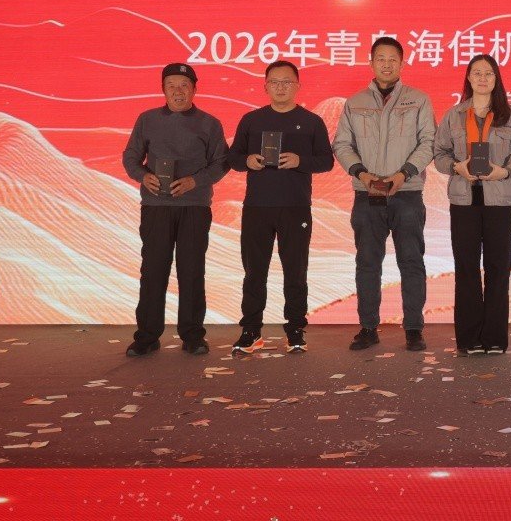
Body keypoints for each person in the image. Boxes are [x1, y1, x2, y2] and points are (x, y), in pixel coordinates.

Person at [332, 37, 437, 353]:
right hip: (368, 194)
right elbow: (342, 144)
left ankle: (414, 329)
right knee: (367, 262)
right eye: (381, 58)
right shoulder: (355, 103)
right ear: (371, 62)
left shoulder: (418, 100)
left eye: (393, 59)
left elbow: (428, 142)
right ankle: (368, 327)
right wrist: (362, 174)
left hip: (407, 193)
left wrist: (403, 174)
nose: (387, 64)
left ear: (402, 63)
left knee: (411, 261)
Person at [121, 62, 229, 357]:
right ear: (163, 89)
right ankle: (147, 336)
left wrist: (195, 181)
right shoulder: (147, 120)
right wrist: (143, 176)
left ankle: (192, 335)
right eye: (171, 86)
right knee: (153, 270)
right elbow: (130, 157)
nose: (178, 91)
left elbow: (221, 163)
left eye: (184, 86)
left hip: (194, 206)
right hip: (156, 206)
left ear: (194, 89)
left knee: (192, 271)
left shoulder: (210, 123)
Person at [227, 60, 334, 355]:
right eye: (274, 82)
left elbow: (326, 161)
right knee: (254, 271)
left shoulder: (312, 122)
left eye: (287, 82)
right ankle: (251, 331)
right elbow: (232, 158)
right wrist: (247, 161)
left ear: (297, 86)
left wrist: (301, 161)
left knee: (296, 271)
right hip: (257, 207)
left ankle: (295, 329)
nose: (281, 87)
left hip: (296, 207)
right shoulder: (252, 120)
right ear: (265, 86)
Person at [433, 55, 511, 357]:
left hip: (499, 200)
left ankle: (495, 337)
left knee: (498, 268)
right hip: (464, 200)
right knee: (467, 268)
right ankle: (469, 338)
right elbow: (439, 154)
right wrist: (456, 167)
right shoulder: (454, 115)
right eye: (477, 73)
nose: (483, 78)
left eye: (488, 73)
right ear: (469, 78)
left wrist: (504, 171)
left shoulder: (510, 116)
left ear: (496, 79)